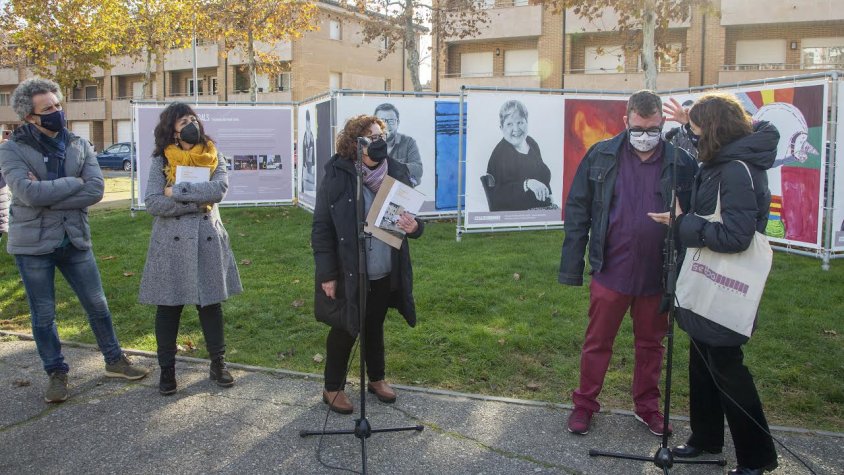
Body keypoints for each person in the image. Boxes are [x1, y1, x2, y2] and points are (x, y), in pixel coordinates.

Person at [0, 78, 148, 403]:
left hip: (75, 239)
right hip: (33, 246)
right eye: (48, 109)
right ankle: (56, 372)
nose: (57, 112)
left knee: (98, 305)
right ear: (30, 118)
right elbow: (26, 192)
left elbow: (95, 190)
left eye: (57, 105)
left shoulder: (80, 144)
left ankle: (115, 360)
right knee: (43, 314)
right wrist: (72, 183)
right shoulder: (12, 148)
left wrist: (46, 195)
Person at [558, 90, 697, 436]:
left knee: (651, 344)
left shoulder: (681, 162)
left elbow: (696, 215)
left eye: (652, 128)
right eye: (639, 128)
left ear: (663, 123)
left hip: (658, 272)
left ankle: (647, 407)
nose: (645, 135)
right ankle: (584, 404)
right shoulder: (601, 155)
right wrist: (572, 267)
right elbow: (578, 211)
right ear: (626, 122)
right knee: (597, 341)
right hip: (611, 270)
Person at [658, 93, 779, 475]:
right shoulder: (724, 158)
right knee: (702, 362)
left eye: (695, 129)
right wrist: (687, 120)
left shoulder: (735, 168)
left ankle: (756, 459)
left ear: (714, 131)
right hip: (708, 281)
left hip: (725, 284)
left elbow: (737, 236)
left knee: (727, 367)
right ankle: (706, 438)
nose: (690, 136)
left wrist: (682, 223)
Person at [312, 114, 423, 414]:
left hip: (385, 266)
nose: (378, 142)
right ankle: (332, 387)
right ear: (355, 143)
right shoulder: (338, 174)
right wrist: (327, 274)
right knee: (346, 327)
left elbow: (414, 219)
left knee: (375, 323)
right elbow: (322, 227)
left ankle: (377, 378)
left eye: (381, 136)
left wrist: (414, 227)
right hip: (350, 269)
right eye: (371, 138)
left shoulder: (396, 171)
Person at [138, 102, 242, 395]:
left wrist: (177, 193)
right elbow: (153, 202)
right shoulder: (161, 160)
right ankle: (167, 371)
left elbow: (218, 191)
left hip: (207, 238)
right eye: (183, 121)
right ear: (172, 130)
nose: (190, 124)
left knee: (210, 304)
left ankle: (218, 364)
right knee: (168, 307)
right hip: (171, 245)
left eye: (192, 118)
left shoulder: (213, 154)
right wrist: (197, 202)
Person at [485, 99, 553, 211]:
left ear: (527, 122)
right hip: (515, 213)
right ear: (501, 128)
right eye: (509, 124)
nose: (516, 129)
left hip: (540, 209)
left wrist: (549, 196)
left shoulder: (531, 143)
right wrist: (527, 184)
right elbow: (498, 196)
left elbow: (543, 174)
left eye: (520, 122)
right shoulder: (500, 154)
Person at [374, 103, 422, 186]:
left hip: (400, 193)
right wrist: (402, 171)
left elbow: (418, 170)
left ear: (398, 122)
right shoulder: (368, 143)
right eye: (381, 121)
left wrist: (388, 167)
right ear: (375, 123)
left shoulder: (408, 142)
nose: (386, 125)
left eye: (391, 121)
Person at [301, 109, 316, 193]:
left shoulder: (311, 134)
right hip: (307, 157)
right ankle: (305, 188)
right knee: (307, 172)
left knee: (310, 173)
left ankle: (309, 189)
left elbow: (311, 144)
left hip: (310, 157)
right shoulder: (306, 134)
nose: (308, 125)